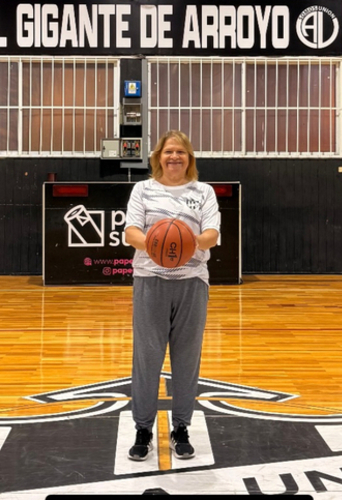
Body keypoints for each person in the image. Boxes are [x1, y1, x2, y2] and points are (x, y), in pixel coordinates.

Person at [124, 130, 220, 461]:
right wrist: (158, 244)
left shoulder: (203, 191)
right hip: (150, 280)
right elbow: (131, 232)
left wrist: (185, 243)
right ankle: (142, 428)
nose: (174, 157)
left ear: (189, 158)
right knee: (147, 360)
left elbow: (211, 235)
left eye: (180, 152)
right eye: (168, 152)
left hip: (192, 281)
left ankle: (181, 428)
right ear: (158, 157)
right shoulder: (143, 190)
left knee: (186, 360)